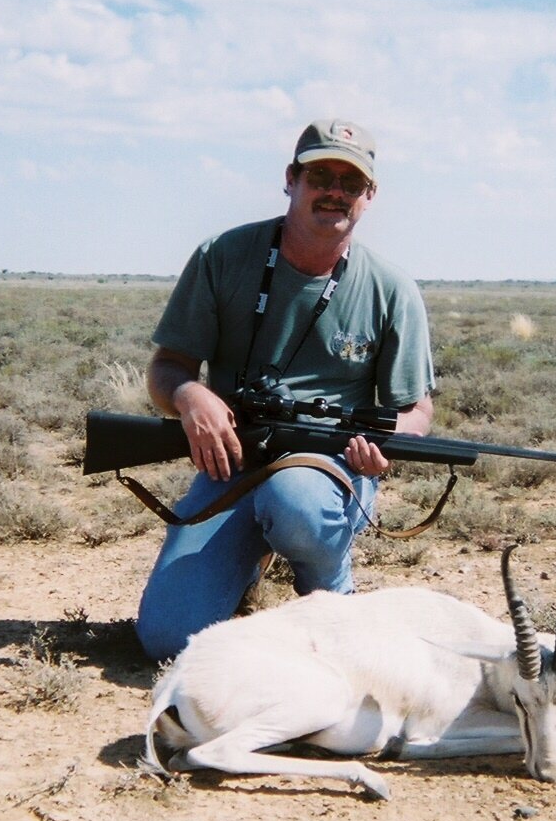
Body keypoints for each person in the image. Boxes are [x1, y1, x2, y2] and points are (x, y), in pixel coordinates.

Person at [134, 120, 435, 660]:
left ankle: (329, 587)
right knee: (167, 640)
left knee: (294, 496)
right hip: (231, 468)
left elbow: (416, 409)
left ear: (369, 195)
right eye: (320, 174)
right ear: (292, 179)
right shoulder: (222, 256)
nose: (334, 191)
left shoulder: (392, 289)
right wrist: (191, 398)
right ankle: (251, 559)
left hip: (329, 470)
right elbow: (168, 369)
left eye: (351, 181)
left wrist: (385, 445)